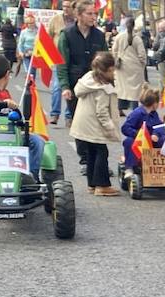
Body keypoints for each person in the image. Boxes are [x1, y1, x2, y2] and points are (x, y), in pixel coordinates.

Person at [0, 53, 47, 177]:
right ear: (7, 75)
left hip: (11, 134)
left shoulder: (4, 93)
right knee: (35, 141)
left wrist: (20, 122)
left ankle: (30, 174)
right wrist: (4, 104)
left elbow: (14, 116)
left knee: (37, 140)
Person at [58, 0, 108, 170]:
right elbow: (62, 63)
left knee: (97, 122)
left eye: (95, 13)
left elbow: (106, 61)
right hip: (75, 86)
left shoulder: (99, 36)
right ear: (78, 15)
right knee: (80, 123)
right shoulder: (67, 34)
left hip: (96, 86)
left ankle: (98, 162)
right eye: (89, 13)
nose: (94, 17)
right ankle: (85, 160)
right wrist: (65, 87)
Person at [68, 51, 122, 195]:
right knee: (101, 151)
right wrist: (111, 128)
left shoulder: (88, 79)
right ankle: (102, 185)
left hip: (83, 123)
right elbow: (102, 113)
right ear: (107, 70)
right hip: (94, 125)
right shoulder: (103, 88)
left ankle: (92, 184)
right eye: (112, 70)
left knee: (91, 152)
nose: (114, 73)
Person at [120, 84, 162, 179]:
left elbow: (159, 126)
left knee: (163, 139)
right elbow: (125, 128)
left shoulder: (154, 114)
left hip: (150, 139)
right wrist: (139, 134)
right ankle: (129, 167)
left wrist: (156, 134)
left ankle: (161, 165)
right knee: (129, 142)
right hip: (139, 139)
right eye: (158, 102)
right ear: (154, 103)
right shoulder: (137, 113)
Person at [110, 14, 147, 115]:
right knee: (135, 90)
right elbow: (142, 54)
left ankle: (120, 108)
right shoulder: (137, 39)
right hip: (135, 67)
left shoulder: (119, 37)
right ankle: (134, 108)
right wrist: (142, 64)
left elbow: (114, 50)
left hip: (122, 66)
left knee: (121, 88)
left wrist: (117, 59)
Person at [47, 2, 76, 123]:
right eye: (63, 7)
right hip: (58, 59)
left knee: (72, 88)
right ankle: (55, 114)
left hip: (73, 59)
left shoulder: (77, 21)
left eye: (68, 7)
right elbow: (48, 38)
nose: (65, 9)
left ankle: (69, 116)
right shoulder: (55, 20)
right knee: (57, 87)